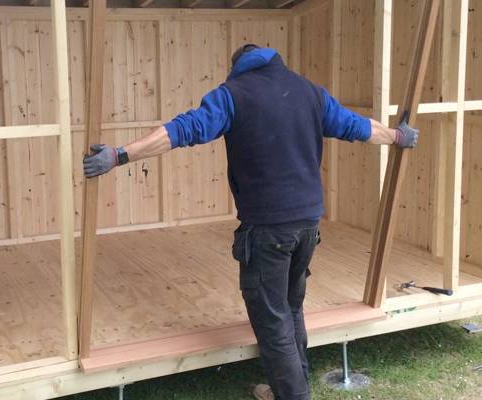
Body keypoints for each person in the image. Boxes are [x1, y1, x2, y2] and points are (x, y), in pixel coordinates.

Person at [82, 44, 418, 400]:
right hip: (308, 224)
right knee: (290, 307)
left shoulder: (233, 94)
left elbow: (180, 131)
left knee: (272, 320)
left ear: (237, 66)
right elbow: (357, 127)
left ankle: (293, 395)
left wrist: (119, 155)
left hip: (268, 229)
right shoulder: (310, 91)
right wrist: (398, 136)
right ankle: (289, 386)